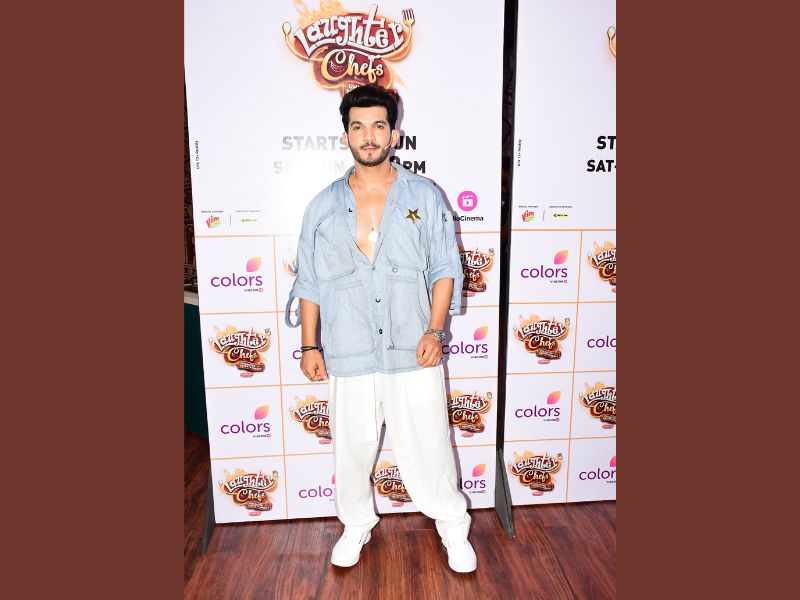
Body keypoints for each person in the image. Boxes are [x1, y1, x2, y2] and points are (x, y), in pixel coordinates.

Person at [285, 84, 476, 573]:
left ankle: (453, 527)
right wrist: (309, 345)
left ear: (393, 133)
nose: (368, 137)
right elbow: (310, 281)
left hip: (412, 347)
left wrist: (435, 331)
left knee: (430, 445)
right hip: (348, 349)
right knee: (351, 451)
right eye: (358, 127)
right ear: (345, 135)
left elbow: (444, 267)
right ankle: (355, 525)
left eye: (377, 126)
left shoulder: (424, 196)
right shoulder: (322, 207)